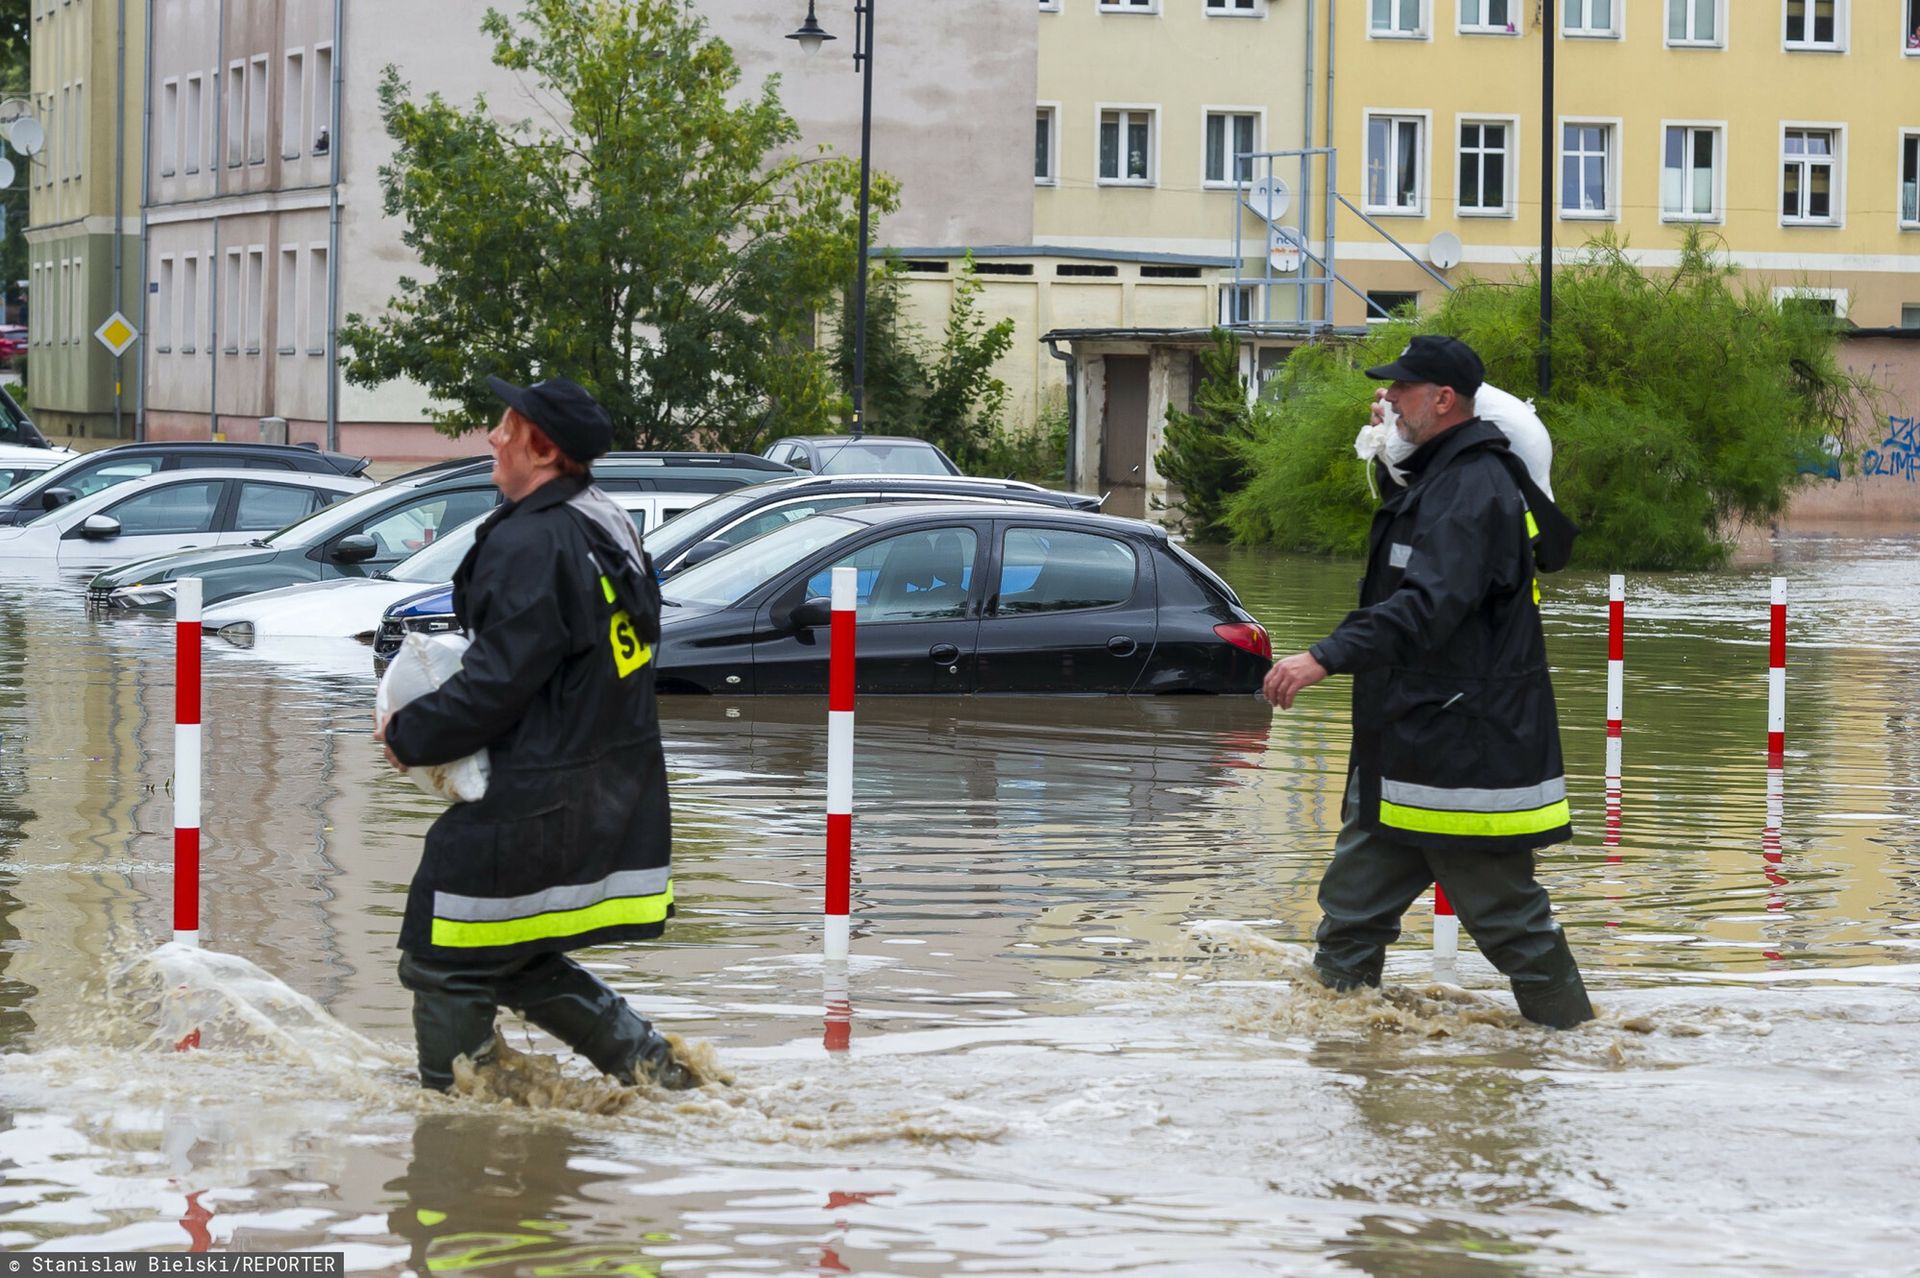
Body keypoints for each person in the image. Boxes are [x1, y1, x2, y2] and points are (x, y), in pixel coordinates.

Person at [1263, 335, 1593, 1029]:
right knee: (1350, 917)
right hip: (1406, 749)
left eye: (1401, 389)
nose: (1386, 398)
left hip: (1460, 759)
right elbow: (1416, 561)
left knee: (1511, 927)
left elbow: (1427, 604)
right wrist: (1391, 457)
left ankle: (1578, 1056)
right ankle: (1343, 1058)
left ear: (1443, 399)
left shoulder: (1474, 487)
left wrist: (1323, 656)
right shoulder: (1440, 479)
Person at [374, 375, 694, 1090]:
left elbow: (498, 682)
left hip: (538, 794)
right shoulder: (600, 522)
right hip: (607, 785)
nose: (492, 436)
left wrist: (407, 734)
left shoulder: (533, 541)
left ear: (543, 450)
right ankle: (667, 1080)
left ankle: (457, 1119)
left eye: (507, 427)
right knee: (511, 953)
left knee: (443, 949)